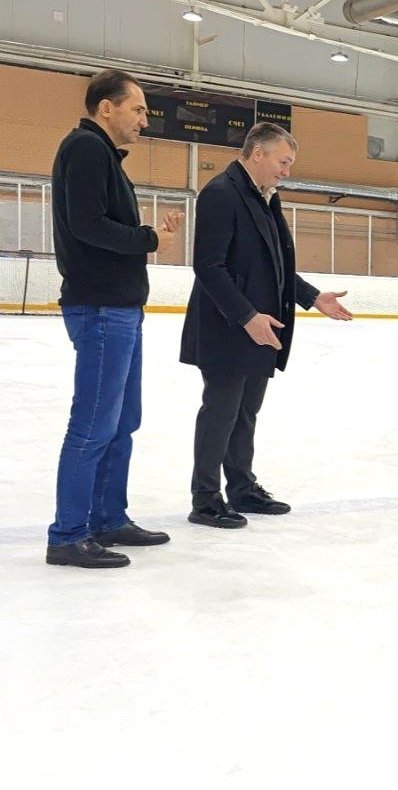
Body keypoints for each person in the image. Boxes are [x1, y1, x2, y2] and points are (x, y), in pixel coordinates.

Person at [180, 122, 353, 529]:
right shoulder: (221, 193)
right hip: (230, 328)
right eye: (283, 161)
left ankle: (241, 487)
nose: (286, 171)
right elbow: (208, 266)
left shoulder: (263, 198)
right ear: (257, 153)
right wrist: (245, 316)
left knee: (245, 414)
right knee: (220, 413)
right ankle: (205, 499)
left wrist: (312, 297)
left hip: (261, 328)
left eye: (289, 163)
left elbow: (275, 268)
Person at [46, 69, 182, 568]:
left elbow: (105, 225)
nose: (145, 119)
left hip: (120, 308)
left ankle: (108, 518)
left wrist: (147, 234)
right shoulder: (85, 148)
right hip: (101, 308)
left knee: (123, 420)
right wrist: (149, 240)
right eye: (139, 109)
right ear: (107, 107)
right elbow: (87, 226)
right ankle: (68, 533)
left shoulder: (102, 156)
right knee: (94, 423)